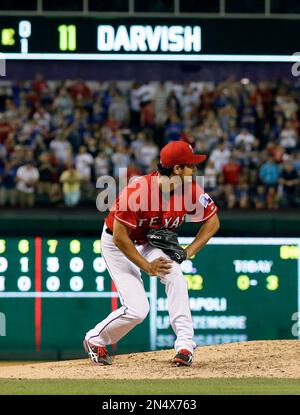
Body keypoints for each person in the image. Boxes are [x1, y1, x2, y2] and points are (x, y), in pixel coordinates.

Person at [84, 140, 220, 366]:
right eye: (190, 166)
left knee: (175, 275)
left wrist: (188, 253)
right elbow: (120, 237)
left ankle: (185, 345)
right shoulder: (137, 192)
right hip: (118, 243)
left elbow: (212, 223)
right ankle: (95, 338)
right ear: (177, 169)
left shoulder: (191, 189)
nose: (195, 170)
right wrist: (146, 267)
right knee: (138, 310)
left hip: (149, 240)